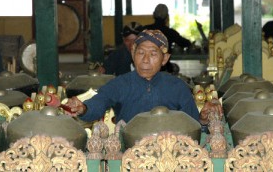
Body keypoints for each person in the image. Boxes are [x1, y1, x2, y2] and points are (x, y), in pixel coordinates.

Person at [64, 30, 210, 125]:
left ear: (164, 59)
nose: (145, 60)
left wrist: (203, 119)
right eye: (140, 53)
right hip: (130, 153)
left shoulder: (177, 87)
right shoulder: (120, 84)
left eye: (153, 54)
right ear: (133, 54)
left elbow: (194, 124)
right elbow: (98, 103)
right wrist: (83, 108)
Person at [143, 3, 192, 73]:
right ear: (167, 17)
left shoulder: (145, 30)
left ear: (153, 15)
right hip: (163, 68)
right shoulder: (170, 33)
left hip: (146, 67)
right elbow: (185, 43)